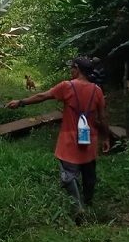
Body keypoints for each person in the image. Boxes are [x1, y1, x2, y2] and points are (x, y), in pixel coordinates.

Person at [7, 57, 111, 216]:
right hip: (89, 138)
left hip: (69, 139)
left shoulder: (67, 86)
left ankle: (78, 207)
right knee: (89, 173)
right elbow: (103, 117)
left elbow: (42, 96)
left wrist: (21, 102)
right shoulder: (97, 90)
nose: (71, 71)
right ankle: (88, 201)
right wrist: (106, 138)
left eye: (72, 68)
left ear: (77, 69)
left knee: (69, 174)